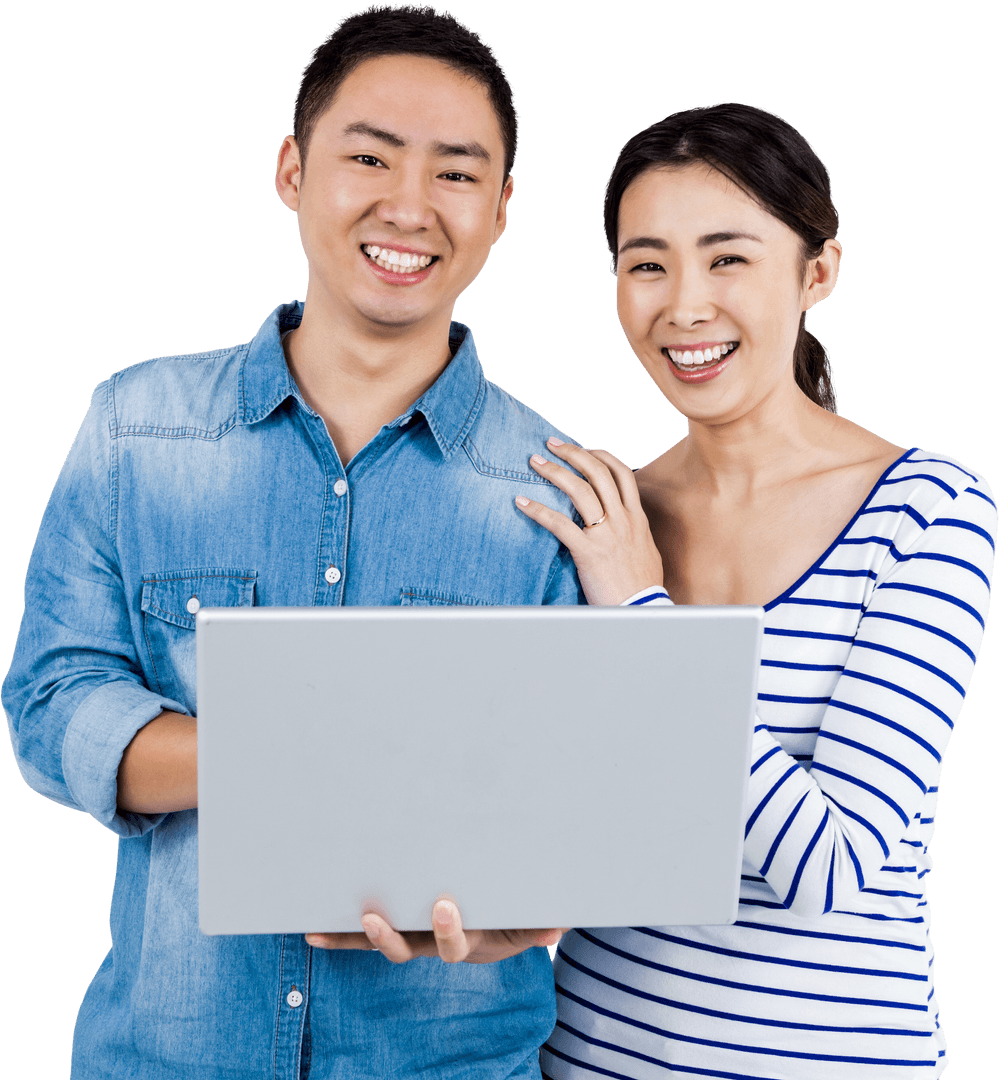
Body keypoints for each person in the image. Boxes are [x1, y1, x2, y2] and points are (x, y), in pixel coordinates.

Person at [3, 7, 659, 1078]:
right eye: (369, 157)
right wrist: (282, 762)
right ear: (293, 170)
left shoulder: (565, 491)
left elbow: (581, 802)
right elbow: (48, 702)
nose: (408, 205)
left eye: (455, 174)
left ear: (500, 213)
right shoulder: (136, 427)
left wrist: (520, 914)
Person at [514, 103, 997, 1077]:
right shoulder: (604, 515)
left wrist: (643, 617)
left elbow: (829, 866)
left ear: (817, 273)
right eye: (647, 264)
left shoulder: (930, 513)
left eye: (727, 258)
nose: (684, 304)